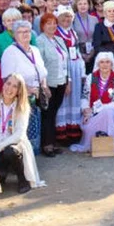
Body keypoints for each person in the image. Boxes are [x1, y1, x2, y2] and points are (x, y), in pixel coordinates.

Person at [0, 74, 44, 193]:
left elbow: (19, 134)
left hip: (14, 147)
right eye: (8, 83)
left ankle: (22, 179)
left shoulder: (22, 106)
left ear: (19, 91)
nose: (10, 88)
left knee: (10, 151)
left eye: (15, 86)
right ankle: (2, 172)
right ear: (3, 84)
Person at [1, 21, 49, 154]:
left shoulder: (35, 50)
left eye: (27, 31)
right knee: (22, 129)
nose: (24, 35)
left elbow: (41, 70)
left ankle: (32, 157)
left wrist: (43, 86)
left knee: (34, 127)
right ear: (15, 35)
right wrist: (27, 89)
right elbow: (7, 77)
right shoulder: (10, 52)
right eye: (21, 32)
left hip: (36, 96)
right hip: (20, 97)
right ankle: (20, 158)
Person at [77, 52, 114, 153]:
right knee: (91, 122)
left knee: (108, 111)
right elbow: (84, 97)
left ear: (112, 64)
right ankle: (97, 145)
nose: (105, 65)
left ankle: (111, 145)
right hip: (91, 112)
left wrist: (99, 109)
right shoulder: (91, 77)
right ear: (98, 64)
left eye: (107, 62)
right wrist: (85, 109)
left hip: (112, 111)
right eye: (102, 62)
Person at [36, 13, 71, 157]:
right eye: (48, 23)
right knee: (47, 114)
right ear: (42, 26)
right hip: (48, 83)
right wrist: (44, 86)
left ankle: (52, 142)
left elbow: (66, 61)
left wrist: (68, 81)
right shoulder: (40, 41)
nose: (52, 26)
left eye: (54, 23)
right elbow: (40, 65)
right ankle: (46, 145)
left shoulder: (59, 39)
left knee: (54, 113)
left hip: (61, 81)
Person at [54, 6, 86, 143]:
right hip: (64, 68)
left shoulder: (73, 32)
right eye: (64, 17)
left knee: (75, 98)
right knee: (65, 99)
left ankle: (74, 131)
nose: (67, 20)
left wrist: (83, 70)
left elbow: (77, 51)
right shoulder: (56, 33)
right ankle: (62, 133)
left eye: (69, 17)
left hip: (75, 67)